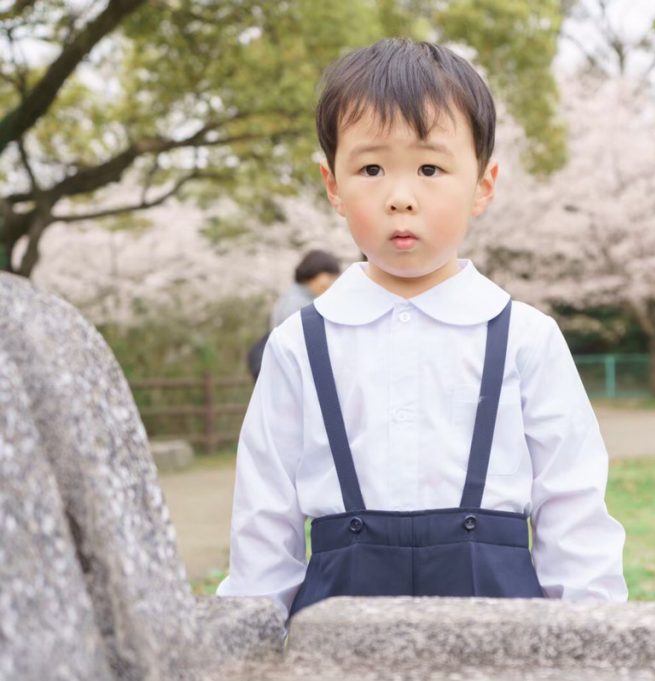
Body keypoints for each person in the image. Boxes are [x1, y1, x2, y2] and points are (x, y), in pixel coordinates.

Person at [217, 38, 627, 621]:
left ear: (483, 184)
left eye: (430, 168)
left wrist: (592, 639)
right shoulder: (299, 345)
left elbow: (574, 512)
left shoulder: (526, 338)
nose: (400, 198)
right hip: (339, 629)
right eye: (371, 168)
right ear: (333, 184)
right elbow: (263, 523)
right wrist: (249, 636)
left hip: (502, 629)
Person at [247, 250, 341, 381]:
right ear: (314, 272)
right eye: (329, 277)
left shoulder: (297, 297)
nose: (330, 284)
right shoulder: (295, 303)